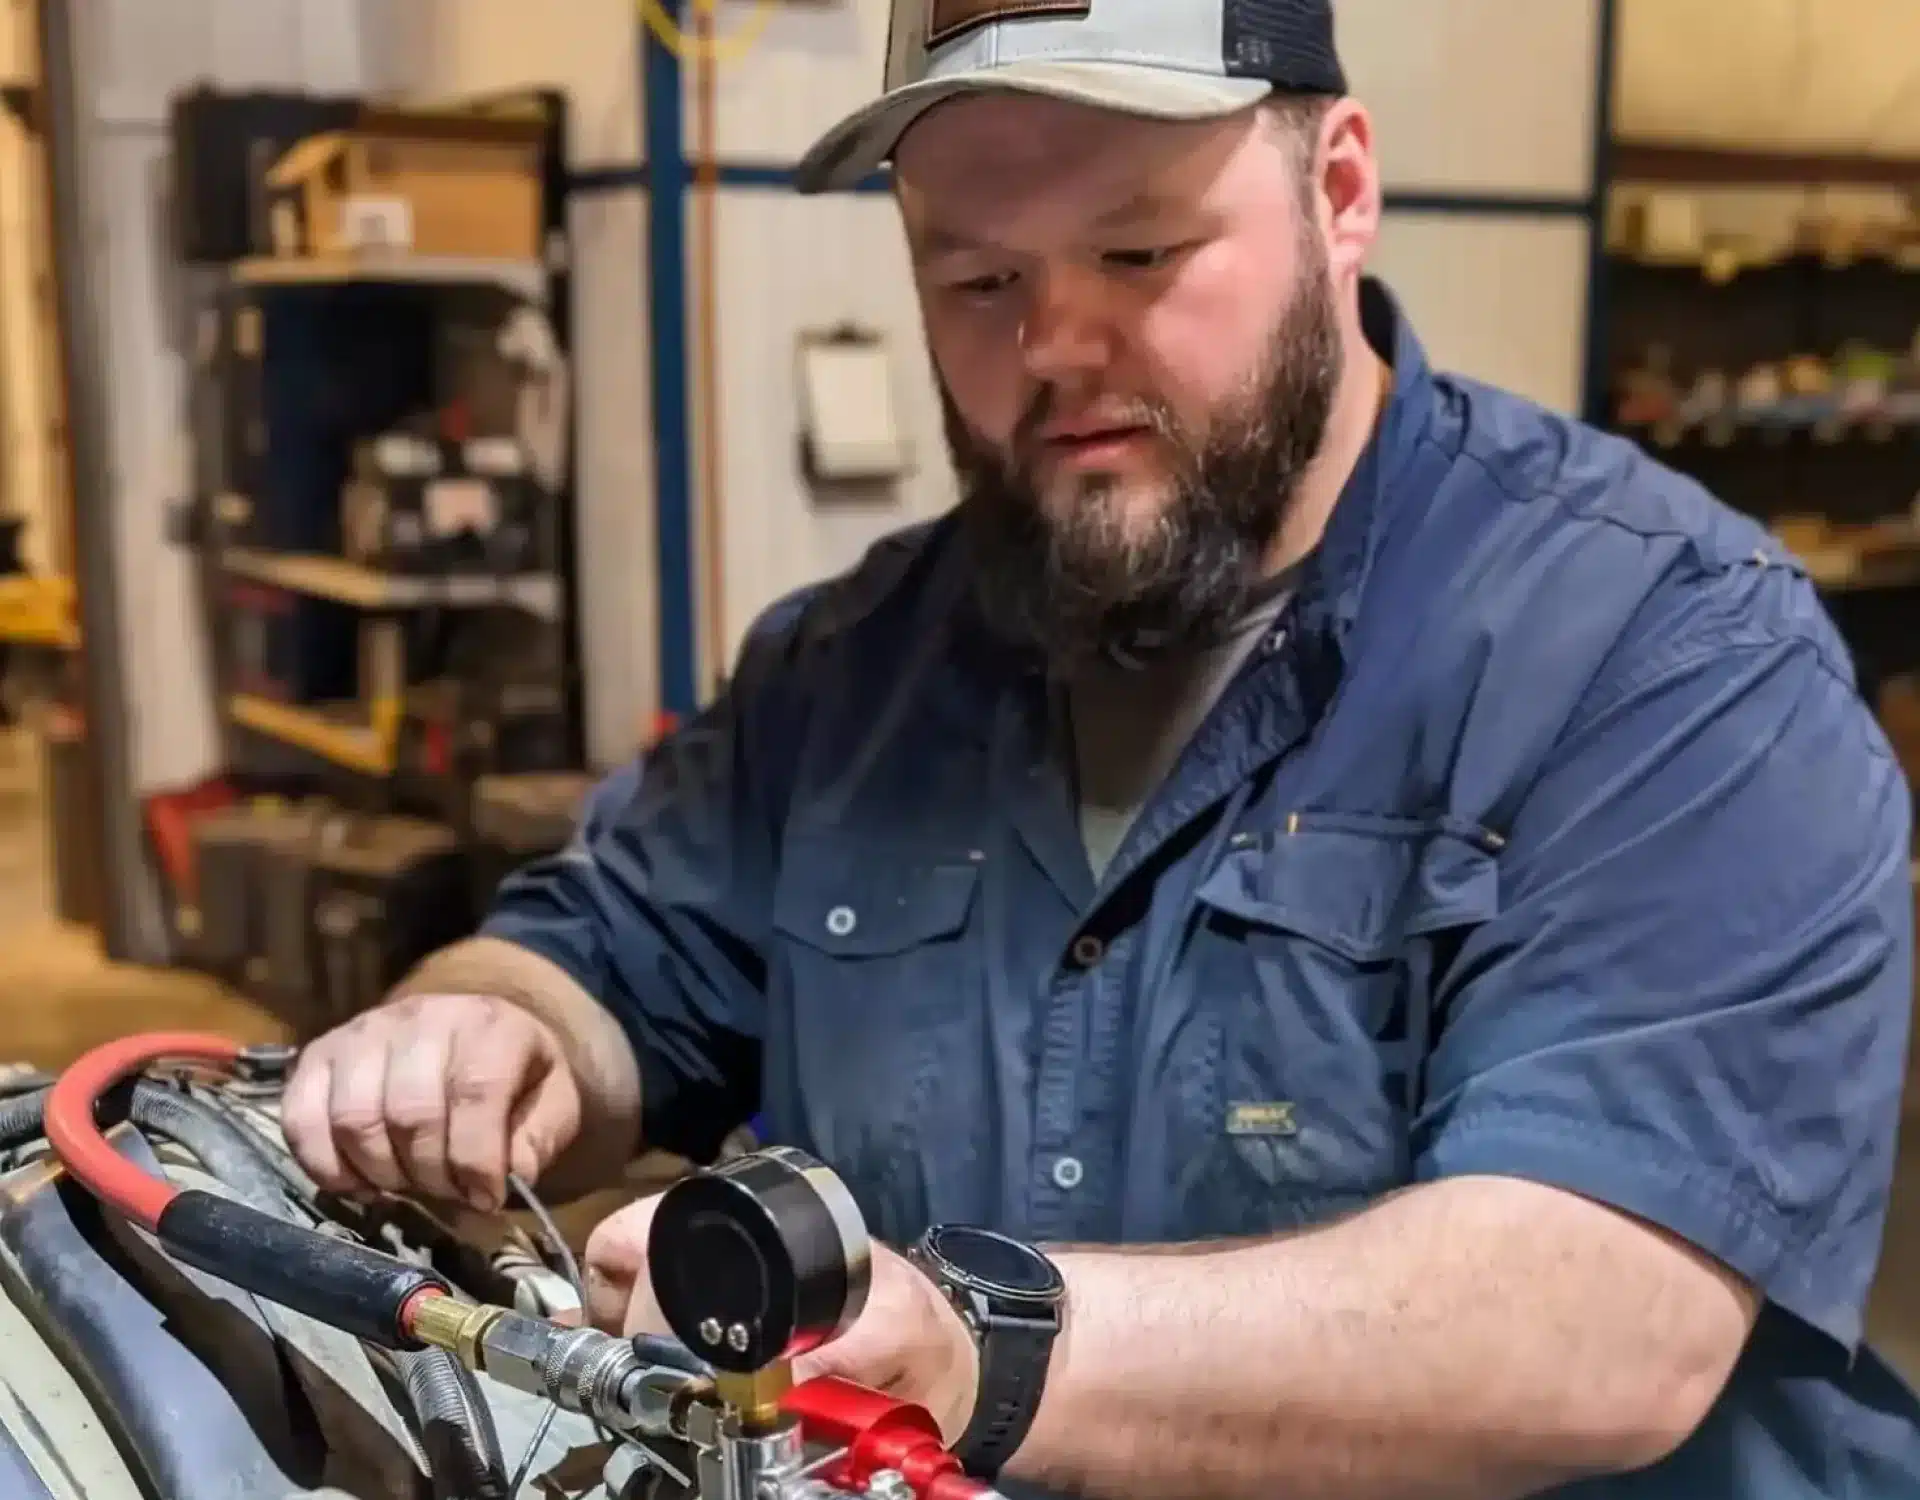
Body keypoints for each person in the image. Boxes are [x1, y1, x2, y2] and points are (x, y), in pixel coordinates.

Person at [282, 2, 1920, 1495]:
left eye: (1139, 254)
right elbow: (601, 959)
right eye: (979, 278)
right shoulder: (846, 673)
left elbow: (1600, 1320)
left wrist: (983, 1349)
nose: (1054, 346)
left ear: (1339, 192)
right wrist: (484, 1036)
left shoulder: (1671, 654)